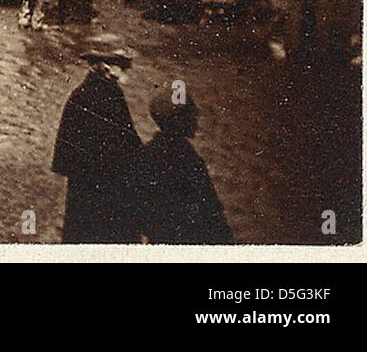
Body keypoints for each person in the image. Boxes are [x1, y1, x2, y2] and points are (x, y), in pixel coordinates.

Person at [51, 33, 142, 243]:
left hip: (83, 191)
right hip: (107, 193)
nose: (126, 69)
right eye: (121, 64)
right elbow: (126, 146)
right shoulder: (108, 97)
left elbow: (64, 158)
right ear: (105, 66)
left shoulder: (81, 94)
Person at [136, 88, 232, 244]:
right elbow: (210, 210)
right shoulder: (188, 160)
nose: (196, 120)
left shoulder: (148, 153)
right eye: (191, 115)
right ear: (179, 121)